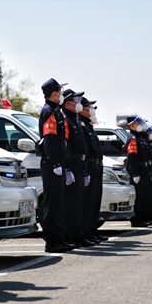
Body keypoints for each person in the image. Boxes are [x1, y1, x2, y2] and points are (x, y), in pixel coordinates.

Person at [38, 78, 69, 253]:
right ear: (54, 93)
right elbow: (49, 140)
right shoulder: (48, 111)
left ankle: (57, 237)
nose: (62, 94)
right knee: (52, 202)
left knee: (58, 203)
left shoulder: (55, 111)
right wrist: (56, 162)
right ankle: (51, 240)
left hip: (57, 163)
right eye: (60, 91)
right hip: (51, 164)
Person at [61, 89, 94, 247]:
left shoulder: (75, 120)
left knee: (79, 204)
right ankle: (68, 236)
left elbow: (83, 149)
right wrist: (68, 169)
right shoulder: (66, 119)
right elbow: (66, 146)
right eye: (76, 99)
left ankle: (78, 235)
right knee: (71, 205)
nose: (79, 102)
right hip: (73, 165)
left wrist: (86, 171)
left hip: (80, 166)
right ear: (68, 102)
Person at [78, 97, 107, 243]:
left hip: (96, 168)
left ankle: (92, 231)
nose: (92, 110)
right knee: (87, 203)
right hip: (89, 167)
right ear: (82, 108)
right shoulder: (82, 126)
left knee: (95, 203)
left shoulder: (89, 126)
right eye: (90, 107)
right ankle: (85, 233)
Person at [125, 116, 151, 227]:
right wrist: (135, 173)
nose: (140, 124)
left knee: (144, 196)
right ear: (132, 125)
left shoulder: (138, 137)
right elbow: (132, 157)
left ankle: (142, 217)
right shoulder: (133, 138)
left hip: (143, 170)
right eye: (137, 123)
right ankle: (137, 219)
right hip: (138, 170)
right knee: (138, 197)